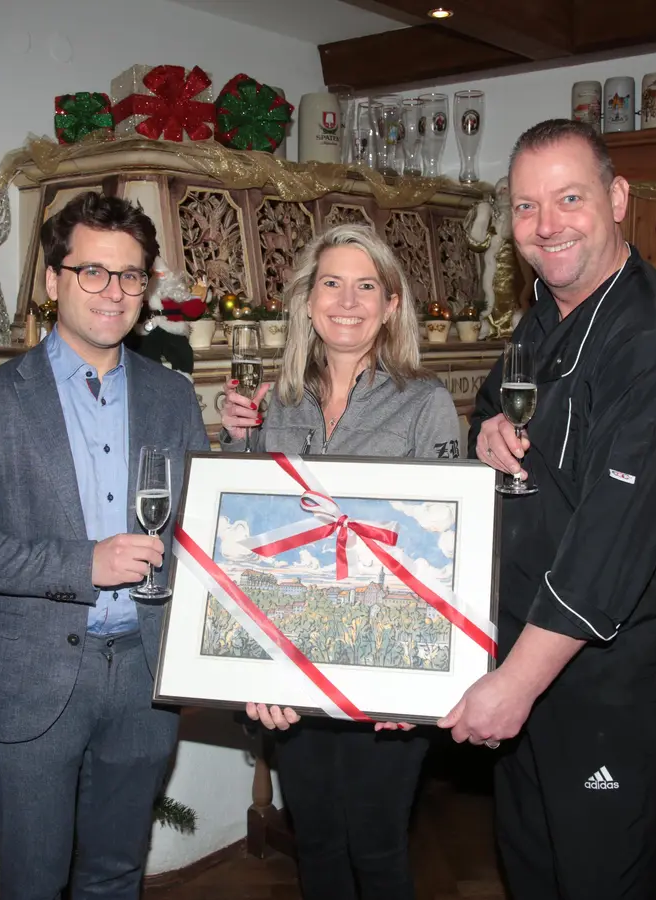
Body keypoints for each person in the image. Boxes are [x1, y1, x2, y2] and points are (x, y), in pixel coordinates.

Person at [438, 119, 656, 898]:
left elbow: (611, 542)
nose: (547, 225)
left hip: (607, 685)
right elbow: (494, 408)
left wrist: (515, 684)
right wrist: (486, 431)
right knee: (533, 873)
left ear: (617, 197)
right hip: (528, 659)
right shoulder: (542, 318)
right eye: (526, 207)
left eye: (569, 198)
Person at [0, 192, 208, 900]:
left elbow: (202, 526)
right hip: (32, 680)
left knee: (115, 875)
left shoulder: (172, 396)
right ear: (53, 281)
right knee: (33, 882)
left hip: (144, 676)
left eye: (131, 275)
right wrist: (84, 564)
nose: (114, 292)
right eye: (93, 272)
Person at [221, 223, 462, 900]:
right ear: (307, 300)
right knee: (319, 845)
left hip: (384, 661)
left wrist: (416, 686)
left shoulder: (427, 405)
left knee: (379, 848)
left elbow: (446, 552)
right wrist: (237, 443)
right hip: (295, 664)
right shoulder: (280, 402)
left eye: (366, 286)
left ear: (391, 304)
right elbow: (245, 539)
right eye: (332, 282)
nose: (347, 300)